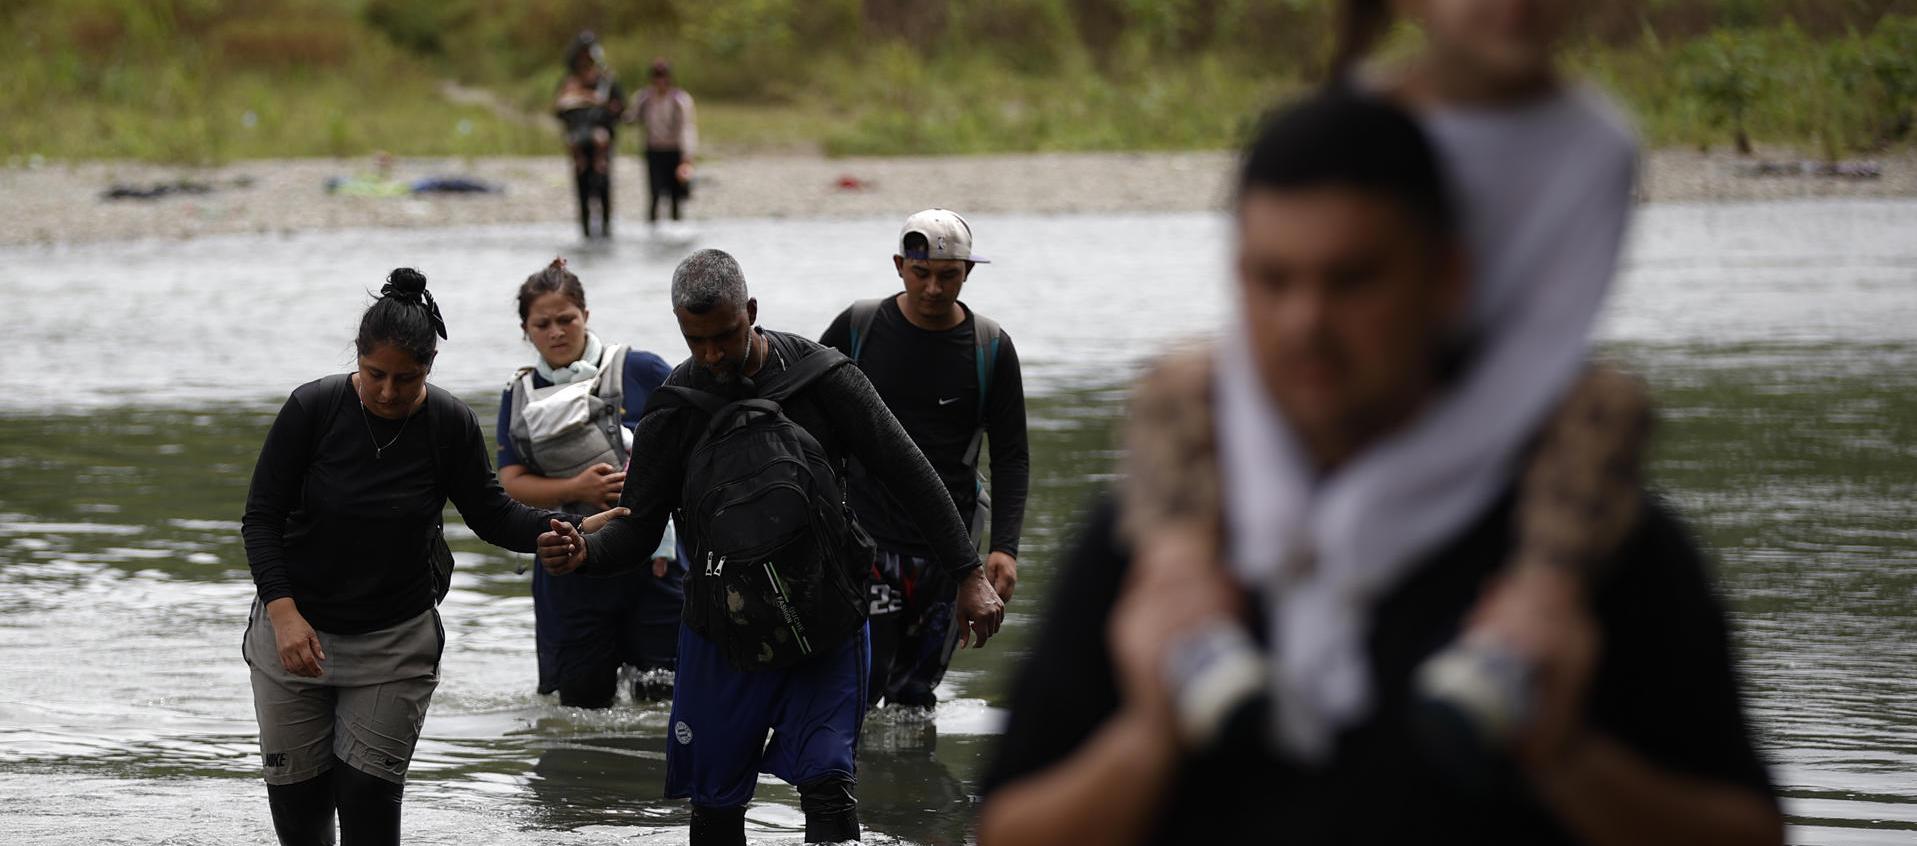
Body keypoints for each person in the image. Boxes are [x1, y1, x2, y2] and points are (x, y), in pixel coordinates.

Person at [975, 93, 1783, 846]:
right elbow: (1007, 828)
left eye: (1351, 280)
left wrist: (1566, 757)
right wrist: (1146, 736)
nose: (1305, 325)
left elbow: (1750, 832)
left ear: (1447, 280)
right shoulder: (1150, 540)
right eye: (1272, 279)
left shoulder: (1593, 545)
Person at [536, 249, 1006, 845]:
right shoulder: (674, 409)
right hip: (719, 632)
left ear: (751, 312)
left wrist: (968, 572)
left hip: (827, 621)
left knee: (831, 789)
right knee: (714, 803)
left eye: (725, 336)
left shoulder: (825, 379)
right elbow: (638, 527)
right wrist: (585, 554)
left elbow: (910, 473)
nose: (712, 355)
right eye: (696, 340)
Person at [241, 269, 626, 845]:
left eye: (409, 378)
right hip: (293, 635)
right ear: (359, 360)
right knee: (301, 816)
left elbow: (493, 514)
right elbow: (261, 519)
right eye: (376, 376)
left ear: (431, 366)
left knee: (368, 807)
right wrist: (283, 613)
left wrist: (564, 527)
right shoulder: (312, 409)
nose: (390, 393)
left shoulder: (448, 423)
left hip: (396, 642)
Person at [819, 209, 1027, 710]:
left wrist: (1005, 548)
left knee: (915, 697)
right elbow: (808, 414)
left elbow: (1012, 455)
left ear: (967, 272)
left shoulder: (990, 348)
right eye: (921, 273)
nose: (934, 288)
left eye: (948, 275)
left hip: (951, 550)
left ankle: (910, 784)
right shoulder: (858, 328)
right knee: (861, 688)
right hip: (868, 541)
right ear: (899, 266)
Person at [496, 258, 683, 707]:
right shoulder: (517, 393)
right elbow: (510, 482)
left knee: (664, 700)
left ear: (586, 316)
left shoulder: (640, 369)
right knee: (580, 703)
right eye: (543, 324)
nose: (556, 332)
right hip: (567, 566)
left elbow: (690, 447)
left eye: (567, 320)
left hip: (653, 564)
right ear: (526, 330)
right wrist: (577, 489)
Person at [554, 31, 625, 239]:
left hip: (601, 144)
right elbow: (559, 111)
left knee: (603, 187)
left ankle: (606, 231)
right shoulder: (569, 82)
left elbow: (619, 108)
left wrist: (604, 107)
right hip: (579, 143)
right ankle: (585, 231)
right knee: (583, 189)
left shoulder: (607, 81)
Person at [629, 59, 696, 226]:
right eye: (656, 77)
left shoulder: (680, 99)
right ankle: (652, 228)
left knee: (675, 195)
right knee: (654, 193)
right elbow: (632, 118)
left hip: (674, 150)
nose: (660, 81)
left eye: (663, 76)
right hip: (654, 150)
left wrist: (687, 157)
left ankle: (676, 227)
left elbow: (687, 127)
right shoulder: (643, 97)